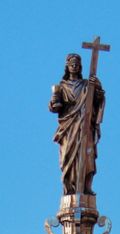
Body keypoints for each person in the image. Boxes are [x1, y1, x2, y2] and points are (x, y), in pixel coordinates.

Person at [49, 53, 104, 196]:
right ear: (67, 67)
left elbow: (98, 101)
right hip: (69, 127)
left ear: (80, 67)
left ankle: (86, 187)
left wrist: (97, 88)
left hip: (85, 125)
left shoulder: (87, 84)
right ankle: (69, 188)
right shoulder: (62, 87)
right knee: (68, 157)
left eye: (77, 64)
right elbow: (54, 108)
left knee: (87, 155)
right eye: (71, 64)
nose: (74, 66)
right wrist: (54, 102)